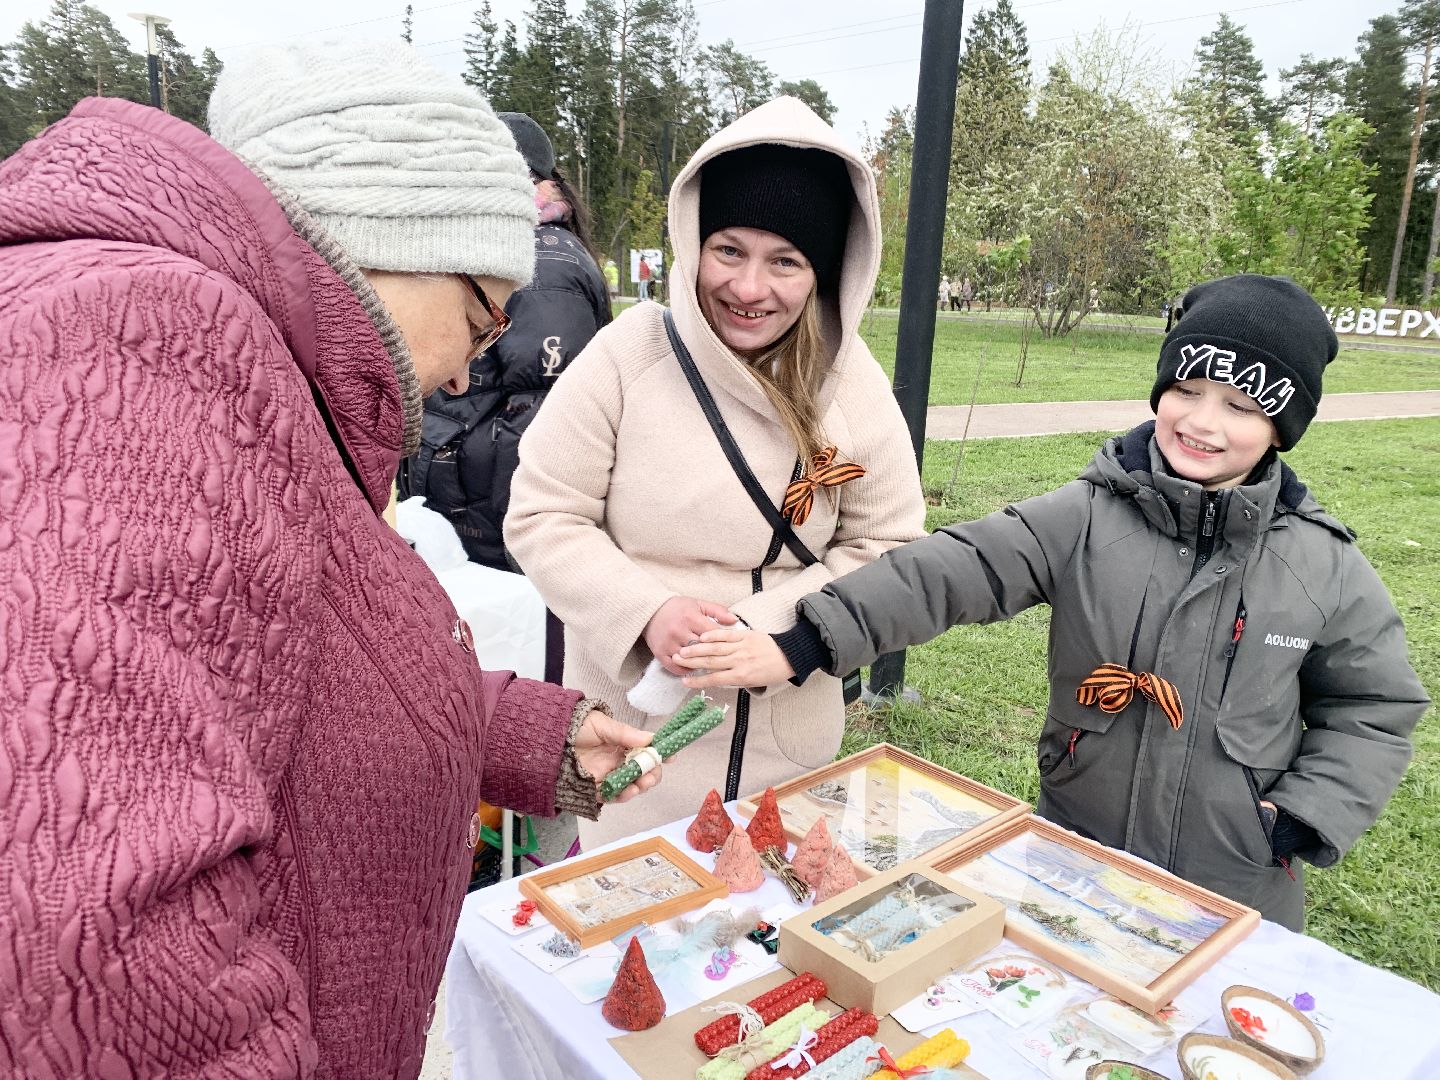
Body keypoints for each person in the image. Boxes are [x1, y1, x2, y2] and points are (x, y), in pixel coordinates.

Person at [0, 41, 660, 1080]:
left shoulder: (216, 356)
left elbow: (264, 668)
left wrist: (521, 731)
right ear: (392, 242)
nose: (462, 375)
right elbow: (89, 937)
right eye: (486, 315)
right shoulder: (140, 338)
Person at [675, 274, 1429, 930]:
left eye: (1239, 406)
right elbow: (949, 570)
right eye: (1187, 390)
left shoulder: (1322, 563)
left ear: (1282, 427)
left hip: (1236, 878)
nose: (1202, 422)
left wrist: (1298, 817)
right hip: (1074, 852)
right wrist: (801, 643)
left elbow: (1374, 703)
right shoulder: (1086, 516)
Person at [506, 97, 928, 847]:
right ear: (692, 239)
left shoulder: (852, 381)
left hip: (789, 747)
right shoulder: (628, 354)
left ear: (826, 273)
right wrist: (647, 613)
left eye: (786, 262)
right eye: (729, 250)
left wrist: (778, 633)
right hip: (638, 745)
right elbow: (543, 513)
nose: (749, 288)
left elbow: (890, 545)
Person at [398, 111, 612, 576]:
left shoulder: (542, 268)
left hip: (490, 524)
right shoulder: (507, 248)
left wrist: (520, 538)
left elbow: (541, 414)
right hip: (466, 500)